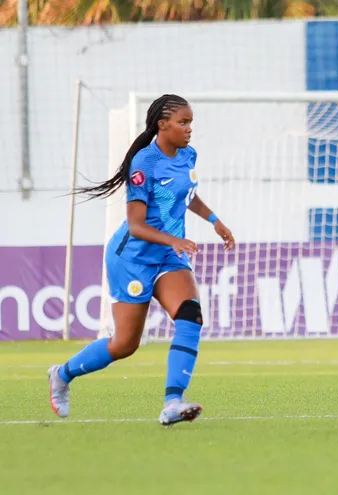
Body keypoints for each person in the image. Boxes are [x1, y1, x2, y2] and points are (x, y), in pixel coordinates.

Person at [47, 94, 235, 426]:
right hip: (132, 258)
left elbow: (185, 194)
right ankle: (61, 375)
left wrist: (214, 220)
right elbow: (136, 225)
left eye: (190, 122)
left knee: (190, 314)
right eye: (183, 122)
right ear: (163, 125)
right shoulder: (143, 164)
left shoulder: (188, 155)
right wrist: (175, 239)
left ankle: (172, 403)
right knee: (124, 344)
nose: (189, 129)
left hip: (167, 256)